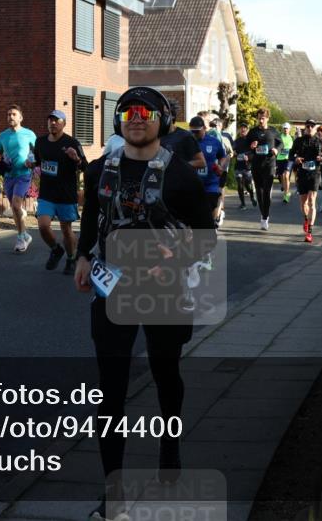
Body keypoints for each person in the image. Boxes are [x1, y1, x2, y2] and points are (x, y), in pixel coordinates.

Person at [74, 87, 215, 521]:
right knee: (110, 388)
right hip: (112, 285)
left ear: (162, 120)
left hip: (164, 289)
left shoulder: (180, 176)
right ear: (118, 121)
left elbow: (205, 235)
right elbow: (92, 218)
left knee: (165, 371)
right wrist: (82, 255)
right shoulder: (100, 170)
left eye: (146, 112)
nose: (136, 118)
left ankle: (169, 451)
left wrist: (175, 262)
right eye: (127, 112)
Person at [31, 109, 87, 275]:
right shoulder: (40, 142)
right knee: (42, 225)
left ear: (64, 123)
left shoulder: (72, 142)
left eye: (56, 120)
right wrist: (31, 164)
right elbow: (37, 161)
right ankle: (56, 249)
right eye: (50, 120)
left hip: (66, 194)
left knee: (66, 230)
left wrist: (76, 158)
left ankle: (71, 258)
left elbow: (85, 166)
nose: (53, 123)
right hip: (47, 193)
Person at [0, 105, 38, 253]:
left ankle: (20, 238)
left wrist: (32, 162)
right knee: (15, 208)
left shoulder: (29, 134)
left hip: (23, 175)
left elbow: (37, 152)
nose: (10, 117)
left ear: (20, 117)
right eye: (8, 114)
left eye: (14, 114)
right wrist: (1, 162)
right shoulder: (2, 136)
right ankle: (25, 234)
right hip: (8, 176)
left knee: (15, 205)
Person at [289, 120, 322, 243]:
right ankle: (306, 220)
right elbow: (290, 155)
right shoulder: (298, 141)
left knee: (312, 201)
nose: (309, 128)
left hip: (315, 173)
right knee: (303, 204)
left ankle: (310, 232)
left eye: (312, 126)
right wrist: (296, 158)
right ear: (305, 128)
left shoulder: (321, 142)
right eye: (307, 126)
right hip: (302, 174)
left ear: (315, 128)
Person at [244, 109, 282, 230]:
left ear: (267, 119)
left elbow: (281, 144)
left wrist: (277, 150)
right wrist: (251, 146)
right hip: (256, 164)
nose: (261, 120)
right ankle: (263, 215)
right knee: (259, 192)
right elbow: (245, 146)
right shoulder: (253, 132)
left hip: (269, 164)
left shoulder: (273, 131)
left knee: (266, 191)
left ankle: (265, 216)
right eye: (259, 118)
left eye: (263, 118)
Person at [191, 116, 228, 227]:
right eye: (192, 131)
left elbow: (223, 156)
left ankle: (213, 221)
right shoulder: (188, 141)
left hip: (211, 183)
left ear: (204, 128)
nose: (194, 134)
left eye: (197, 131)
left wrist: (221, 166)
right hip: (193, 184)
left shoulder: (214, 142)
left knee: (210, 208)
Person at [160, 101, 205, 170]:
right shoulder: (155, 135)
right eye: (160, 114)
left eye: (165, 113)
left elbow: (201, 162)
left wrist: (178, 166)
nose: (162, 116)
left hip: (181, 179)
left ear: (172, 116)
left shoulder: (185, 136)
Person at [209, 119, 234, 226]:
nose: (213, 128)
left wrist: (222, 165)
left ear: (220, 126)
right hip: (210, 171)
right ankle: (215, 215)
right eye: (212, 125)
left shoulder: (225, 138)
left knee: (219, 192)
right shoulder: (207, 138)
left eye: (216, 126)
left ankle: (218, 216)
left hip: (221, 170)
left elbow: (231, 153)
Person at [232, 122, 258, 210]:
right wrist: (234, 153)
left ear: (247, 130)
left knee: (248, 185)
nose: (243, 130)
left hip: (247, 167)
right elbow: (233, 150)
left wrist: (249, 157)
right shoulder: (236, 141)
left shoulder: (250, 141)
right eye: (241, 128)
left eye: (245, 128)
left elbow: (255, 153)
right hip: (238, 166)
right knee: (239, 184)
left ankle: (251, 196)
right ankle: (243, 204)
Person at [276, 122, 294, 203]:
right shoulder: (279, 137)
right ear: (282, 129)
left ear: (289, 129)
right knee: (281, 176)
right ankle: (284, 187)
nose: (286, 130)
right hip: (280, 159)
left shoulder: (292, 138)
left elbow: (294, 149)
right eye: (284, 128)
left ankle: (286, 194)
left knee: (286, 175)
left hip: (288, 159)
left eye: (287, 128)